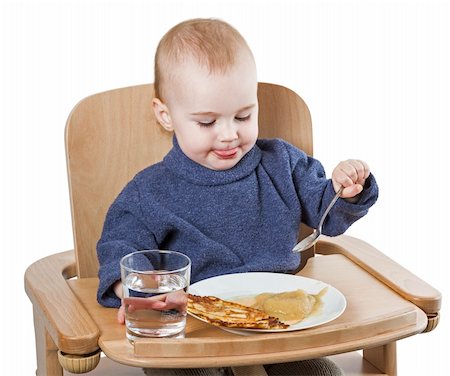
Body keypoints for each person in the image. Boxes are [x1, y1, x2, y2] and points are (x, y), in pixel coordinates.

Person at [97, 18, 378, 376]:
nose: (229, 134)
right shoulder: (149, 191)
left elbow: (329, 216)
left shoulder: (283, 163)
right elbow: (121, 246)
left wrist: (346, 190)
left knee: (321, 374)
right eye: (207, 122)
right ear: (166, 115)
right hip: (192, 327)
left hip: (280, 316)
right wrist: (132, 287)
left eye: (243, 116)